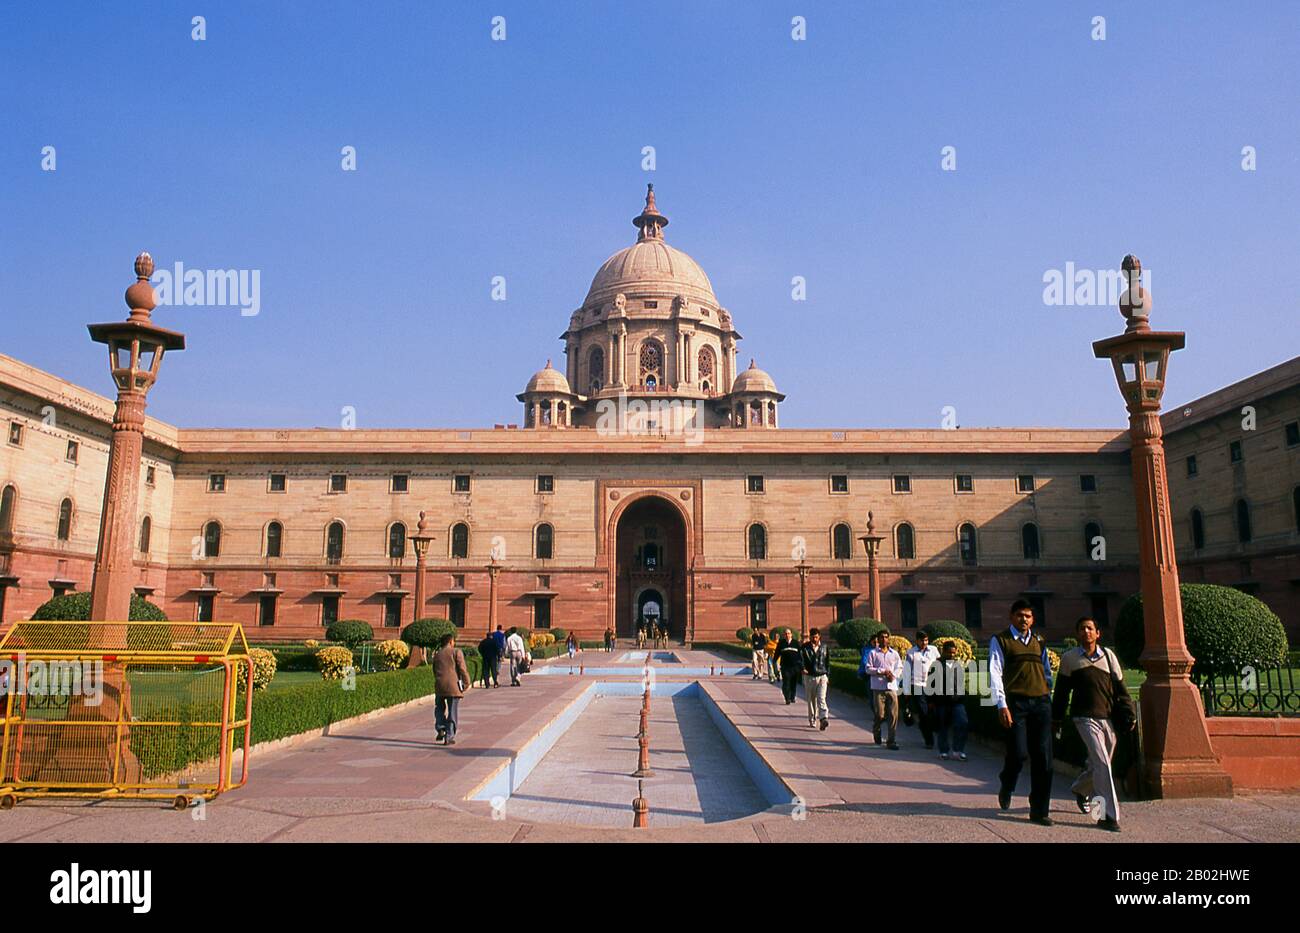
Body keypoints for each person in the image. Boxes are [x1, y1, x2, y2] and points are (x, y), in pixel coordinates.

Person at [1052, 616, 1133, 833]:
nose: (1086, 632)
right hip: (1083, 717)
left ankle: (1080, 789)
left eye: (1090, 628)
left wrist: (1129, 713)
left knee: (1101, 762)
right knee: (1102, 764)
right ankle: (1106, 815)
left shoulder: (1108, 656)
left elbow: (1121, 689)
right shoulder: (1070, 658)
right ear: (1077, 634)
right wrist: (1057, 718)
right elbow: (1061, 693)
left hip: (1106, 717)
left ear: (1098, 633)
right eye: (1082, 629)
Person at [990, 599, 1055, 825]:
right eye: (1019, 615)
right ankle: (1007, 782)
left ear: (1033, 619)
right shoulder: (1001, 640)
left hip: (1041, 703)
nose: (1024, 619)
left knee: (1044, 758)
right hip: (1016, 703)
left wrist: (1048, 694)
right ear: (1011, 616)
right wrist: (1001, 704)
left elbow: (1046, 671)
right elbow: (995, 673)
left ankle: (1039, 810)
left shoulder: (1039, 641)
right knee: (1018, 753)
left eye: (1028, 616)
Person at [931, 639, 970, 761]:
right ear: (943, 652)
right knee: (943, 726)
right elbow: (931, 684)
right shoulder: (936, 665)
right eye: (949, 652)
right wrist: (931, 701)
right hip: (941, 701)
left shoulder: (957, 665)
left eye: (953, 653)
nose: (951, 655)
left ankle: (958, 750)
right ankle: (944, 751)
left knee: (962, 723)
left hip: (957, 702)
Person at [864, 630, 902, 749]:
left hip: (891, 687)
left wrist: (893, 675)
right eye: (881, 637)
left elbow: (899, 667)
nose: (884, 639)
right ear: (878, 639)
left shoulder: (894, 654)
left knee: (893, 715)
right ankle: (877, 731)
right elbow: (868, 669)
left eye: (886, 637)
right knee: (880, 715)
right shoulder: (873, 653)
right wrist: (881, 671)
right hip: (878, 688)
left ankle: (891, 740)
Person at [433, 633, 471, 745]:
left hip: (440, 685)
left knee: (439, 708)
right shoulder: (456, 652)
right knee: (452, 711)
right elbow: (462, 668)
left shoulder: (437, 654)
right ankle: (449, 736)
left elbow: (434, 670)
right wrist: (466, 682)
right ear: (450, 642)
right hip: (453, 686)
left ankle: (440, 727)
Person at [904, 631, 940, 748]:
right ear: (917, 640)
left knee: (934, 711)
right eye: (922, 640)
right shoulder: (911, 653)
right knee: (923, 713)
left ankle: (934, 728)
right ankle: (928, 739)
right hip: (917, 685)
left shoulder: (933, 650)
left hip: (932, 685)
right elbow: (907, 673)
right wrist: (907, 690)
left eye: (926, 640)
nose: (925, 643)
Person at [800, 627, 830, 730]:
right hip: (810, 676)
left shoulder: (824, 647)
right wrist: (803, 668)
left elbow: (827, 662)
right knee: (811, 700)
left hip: (822, 676)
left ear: (819, 637)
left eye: (816, 637)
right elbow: (801, 660)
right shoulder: (805, 647)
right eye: (813, 637)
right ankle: (812, 719)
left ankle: (823, 718)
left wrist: (828, 675)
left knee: (821, 698)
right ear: (810, 637)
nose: (815, 639)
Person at [778, 629, 802, 705]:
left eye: (788, 633)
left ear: (791, 634)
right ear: (784, 635)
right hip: (785, 667)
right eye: (786, 634)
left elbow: (800, 655)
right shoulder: (781, 643)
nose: (787, 635)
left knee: (793, 683)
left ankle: (792, 696)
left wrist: (801, 666)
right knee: (786, 682)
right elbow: (777, 653)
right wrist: (774, 662)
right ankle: (787, 698)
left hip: (795, 667)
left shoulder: (796, 643)